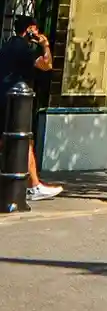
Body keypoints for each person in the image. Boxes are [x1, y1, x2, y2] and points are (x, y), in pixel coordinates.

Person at [0, 17, 60, 201]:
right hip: (16, 103)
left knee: (9, 140)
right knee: (23, 140)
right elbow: (47, 65)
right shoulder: (23, 48)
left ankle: (33, 184)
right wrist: (45, 45)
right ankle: (34, 186)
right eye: (35, 29)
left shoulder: (9, 45)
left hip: (5, 97)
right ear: (30, 29)